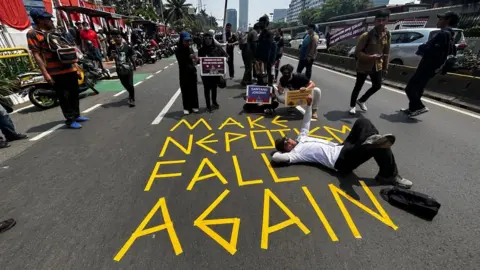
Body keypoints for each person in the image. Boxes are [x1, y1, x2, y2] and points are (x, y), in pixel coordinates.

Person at [271, 95, 413, 189]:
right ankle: (388, 172)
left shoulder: (301, 138)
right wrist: (278, 153)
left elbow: (306, 121)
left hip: (342, 147)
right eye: (285, 144)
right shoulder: (295, 155)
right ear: (286, 150)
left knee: (363, 122)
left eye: (286, 139)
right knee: (377, 144)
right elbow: (276, 157)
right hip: (341, 161)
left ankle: (372, 142)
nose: (289, 141)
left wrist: (309, 105)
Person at [27, 9, 87, 129]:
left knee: (74, 93)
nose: (50, 20)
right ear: (39, 20)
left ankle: (76, 115)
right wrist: (46, 74)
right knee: (63, 96)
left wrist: (76, 67)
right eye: (47, 19)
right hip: (55, 72)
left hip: (70, 68)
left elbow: (68, 49)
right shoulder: (33, 34)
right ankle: (70, 120)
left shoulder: (56, 32)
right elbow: (36, 55)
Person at [402, 11, 459, 118]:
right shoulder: (450, 34)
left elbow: (434, 52)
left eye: (441, 19)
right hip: (433, 67)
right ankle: (412, 108)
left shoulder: (443, 34)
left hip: (428, 66)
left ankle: (419, 106)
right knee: (418, 87)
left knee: (410, 88)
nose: (439, 21)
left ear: (448, 20)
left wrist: (423, 47)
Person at [349, 10, 391, 115]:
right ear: (375, 22)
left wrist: (385, 67)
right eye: (378, 20)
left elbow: (386, 52)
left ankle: (362, 100)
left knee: (377, 85)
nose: (381, 22)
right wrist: (370, 57)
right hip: (364, 65)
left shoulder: (388, 35)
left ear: (387, 21)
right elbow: (357, 52)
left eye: (383, 20)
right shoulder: (366, 35)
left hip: (377, 65)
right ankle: (352, 106)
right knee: (358, 86)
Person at [198, 32, 229, 112]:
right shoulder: (201, 50)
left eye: (209, 38)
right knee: (207, 89)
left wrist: (226, 59)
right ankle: (208, 105)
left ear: (212, 39)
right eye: (205, 39)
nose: (208, 40)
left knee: (214, 88)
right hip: (205, 74)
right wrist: (198, 60)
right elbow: (199, 61)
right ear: (203, 40)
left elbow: (226, 55)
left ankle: (214, 102)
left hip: (216, 73)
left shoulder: (217, 48)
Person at [108, 31, 136, 107]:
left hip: (128, 69)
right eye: (115, 37)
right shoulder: (111, 48)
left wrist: (134, 65)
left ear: (121, 38)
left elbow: (131, 56)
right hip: (119, 70)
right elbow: (109, 59)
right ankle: (130, 94)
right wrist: (112, 57)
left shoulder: (127, 47)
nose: (117, 39)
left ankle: (132, 99)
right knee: (125, 84)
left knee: (130, 84)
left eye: (118, 37)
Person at [175, 31, 200, 115]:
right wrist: (190, 57)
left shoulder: (190, 49)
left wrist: (196, 60)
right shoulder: (178, 50)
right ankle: (186, 107)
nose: (187, 42)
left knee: (193, 89)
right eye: (185, 41)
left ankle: (194, 106)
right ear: (181, 40)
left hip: (192, 72)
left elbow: (194, 60)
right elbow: (181, 60)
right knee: (185, 90)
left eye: (188, 41)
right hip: (183, 73)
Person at [255, 16, 276, 85]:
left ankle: (270, 90)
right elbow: (260, 46)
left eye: (260, 22)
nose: (259, 24)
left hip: (267, 60)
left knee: (269, 75)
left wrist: (269, 60)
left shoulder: (268, 33)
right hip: (262, 59)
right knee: (262, 75)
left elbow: (270, 48)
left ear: (265, 23)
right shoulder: (262, 33)